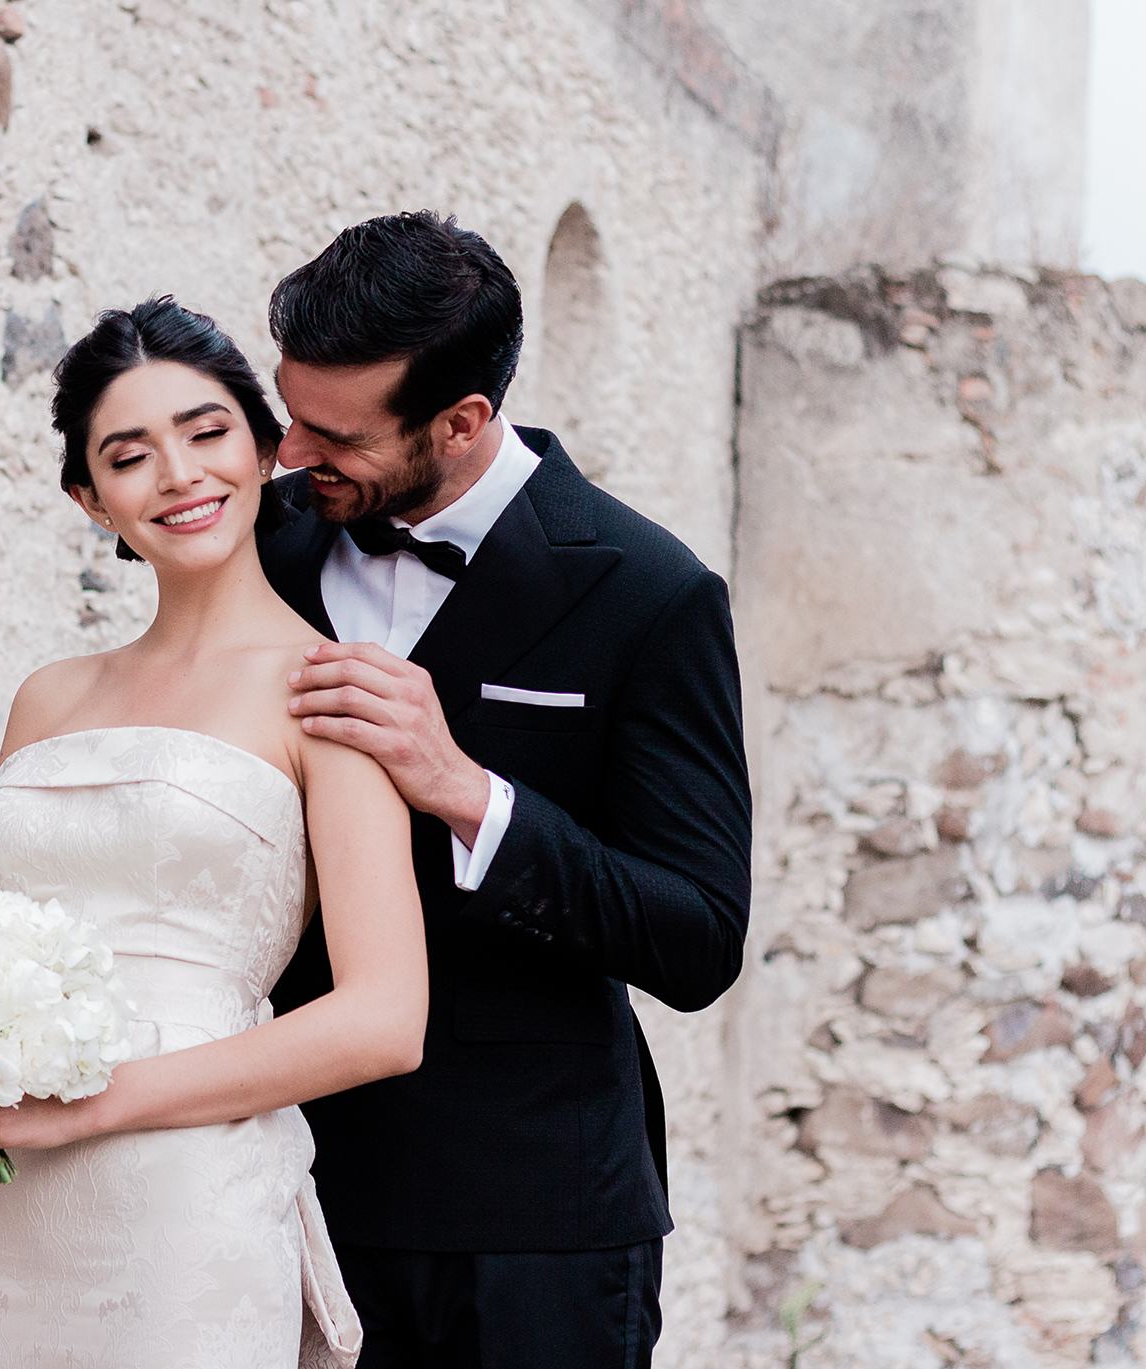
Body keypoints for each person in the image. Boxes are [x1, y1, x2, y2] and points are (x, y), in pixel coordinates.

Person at [0, 297, 429, 1369]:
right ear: (88, 496)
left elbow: (383, 1020)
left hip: (182, 1199)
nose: (177, 474)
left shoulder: (332, 693)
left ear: (266, 451)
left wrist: (90, 1108)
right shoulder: (47, 697)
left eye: (206, 433)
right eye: (129, 455)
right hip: (3, 1194)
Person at [256, 212, 753, 1365]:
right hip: (278, 1191)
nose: (287, 454)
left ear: (462, 421)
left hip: (530, 1237)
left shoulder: (649, 593)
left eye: (331, 435)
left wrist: (468, 793)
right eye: (289, 415)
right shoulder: (261, 547)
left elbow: (696, 938)